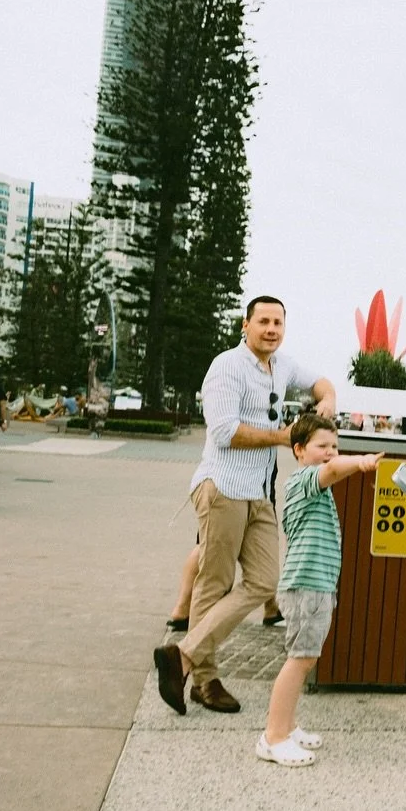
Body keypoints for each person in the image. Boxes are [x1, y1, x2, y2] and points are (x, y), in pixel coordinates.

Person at [153, 296, 337, 716]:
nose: (271, 329)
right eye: (263, 321)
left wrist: (326, 400)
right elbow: (223, 432)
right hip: (223, 487)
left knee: (264, 581)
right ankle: (204, 681)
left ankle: (184, 654)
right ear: (245, 325)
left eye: (278, 322)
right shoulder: (227, 366)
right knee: (214, 583)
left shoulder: (282, 365)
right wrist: (283, 436)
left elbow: (321, 382)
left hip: (259, 492)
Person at [256, 414, 382, 766]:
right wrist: (360, 461)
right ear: (299, 450)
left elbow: (331, 470)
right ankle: (273, 737)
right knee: (300, 660)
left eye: (335, 446)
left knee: (305, 658)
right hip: (306, 586)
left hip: (315, 585)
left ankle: (287, 726)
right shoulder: (304, 480)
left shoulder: (316, 488)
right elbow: (332, 470)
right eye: (322, 446)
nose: (330, 452)